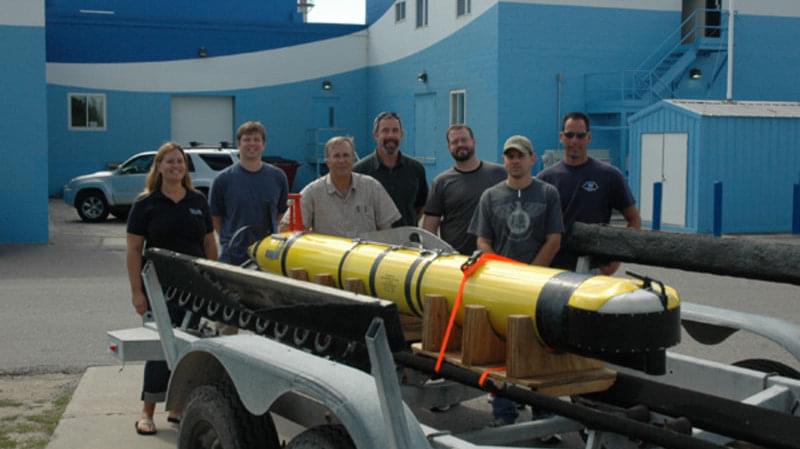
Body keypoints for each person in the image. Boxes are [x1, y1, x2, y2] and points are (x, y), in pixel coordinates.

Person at [468, 135, 563, 427]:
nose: (515, 161)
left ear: (532, 159)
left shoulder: (547, 194)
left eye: (520, 156)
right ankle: (504, 414)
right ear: (504, 160)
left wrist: (530, 275)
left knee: (539, 351)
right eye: (510, 156)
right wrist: (503, 274)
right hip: (501, 287)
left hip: (538, 286)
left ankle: (543, 416)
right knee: (501, 352)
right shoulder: (490, 196)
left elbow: (554, 239)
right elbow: (483, 240)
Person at [126, 142, 217, 436]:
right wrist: (137, 292)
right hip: (158, 289)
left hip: (196, 288)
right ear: (159, 167)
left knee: (192, 348)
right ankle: (147, 411)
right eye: (169, 162)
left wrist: (214, 281)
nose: (175, 166)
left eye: (180, 161)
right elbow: (133, 250)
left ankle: (178, 409)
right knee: (160, 348)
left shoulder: (198, 200)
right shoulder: (145, 204)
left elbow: (208, 244)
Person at [539, 112, 641, 275]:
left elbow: (634, 219)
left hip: (592, 270)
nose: (574, 141)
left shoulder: (609, 175)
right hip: (553, 269)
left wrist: (616, 259)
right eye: (569, 135)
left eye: (580, 136)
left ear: (589, 138)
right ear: (561, 137)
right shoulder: (546, 178)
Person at [281, 136, 400, 237]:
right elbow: (286, 228)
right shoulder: (312, 192)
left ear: (353, 159)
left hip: (366, 261)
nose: (342, 160)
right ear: (327, 161)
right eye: (336, 156)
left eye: (346, 155)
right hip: (328, 262)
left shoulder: (372, 187)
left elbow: (389, 228)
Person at [210, 121, 288, 264]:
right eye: (246, 140)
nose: (252, 144)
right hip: (233, 257)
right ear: (239, 144)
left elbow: (280, 213)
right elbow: (216, 218)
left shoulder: (278, 177)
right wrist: (231, 241)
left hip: (267, 256)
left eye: (257, 140)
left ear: (263, 145)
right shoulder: (222, 179)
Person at [422, 125, 506, 255]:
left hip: (494, 258)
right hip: (457, 260)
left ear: (473, 142)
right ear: (449, 147)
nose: (460, 144)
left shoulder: (499, 174)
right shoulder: (441, 182)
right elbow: (429, 229)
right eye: (454, 142)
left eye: (464, 140)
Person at [353, 112, 428, 227]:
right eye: (385, 130)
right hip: (373, 242)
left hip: (407, 241)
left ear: (401, 134)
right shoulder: (360, 171)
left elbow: (420, 206)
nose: (390, 136)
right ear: (376, 135)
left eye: (395, 130)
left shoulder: (416, 169)